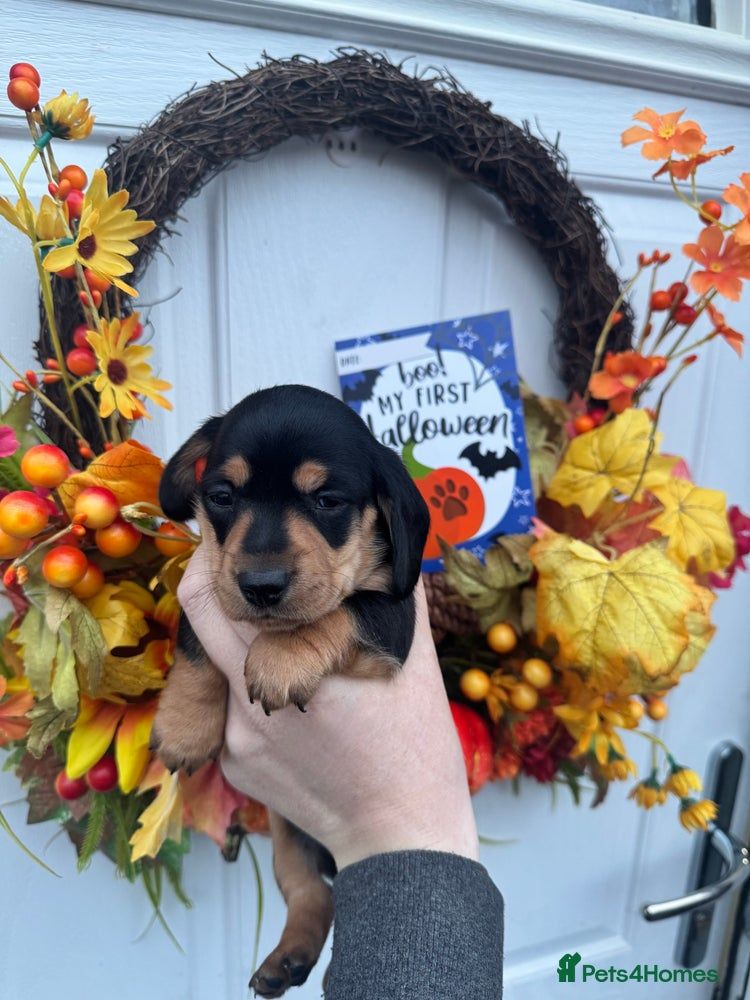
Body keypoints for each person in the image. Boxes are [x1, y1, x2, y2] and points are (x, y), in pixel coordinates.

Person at [179, 543, 504, 999]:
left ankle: (331, 930)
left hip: (385, 767)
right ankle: (308, 916)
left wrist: (389, 833)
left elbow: (384, 621)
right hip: (288, 766)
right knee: (293, 862)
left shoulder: (371, 565)